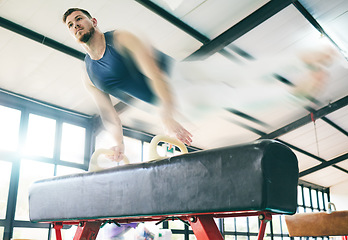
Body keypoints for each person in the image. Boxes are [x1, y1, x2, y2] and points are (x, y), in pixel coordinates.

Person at [63, 8, 192, 162]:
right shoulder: (88, 75)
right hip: (178, 102)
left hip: (186, 80)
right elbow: (109, 115)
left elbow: (156, 75)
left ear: (94, 22)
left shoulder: (121, 39)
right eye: (70, 25)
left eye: (79, 19)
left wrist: (166, 113)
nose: (75, 25)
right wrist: (118, 143)